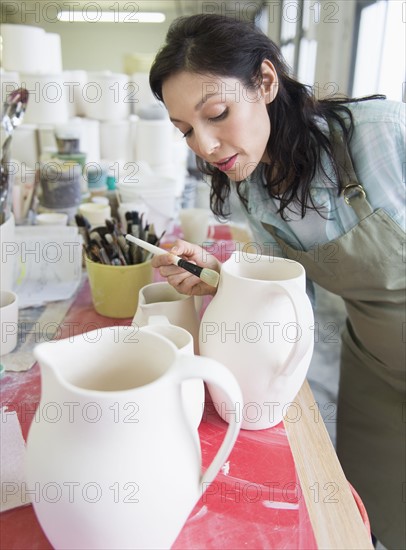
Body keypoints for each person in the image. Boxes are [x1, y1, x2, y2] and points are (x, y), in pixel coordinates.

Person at [148, 14, 405, 548]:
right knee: (379, 505)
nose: (206, 144)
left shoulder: (378, 136)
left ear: (265, 82)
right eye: (186, 130)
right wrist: (218, 277)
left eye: (217, 113)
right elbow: (285, 297)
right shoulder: (254, 187)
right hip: (377, 364)